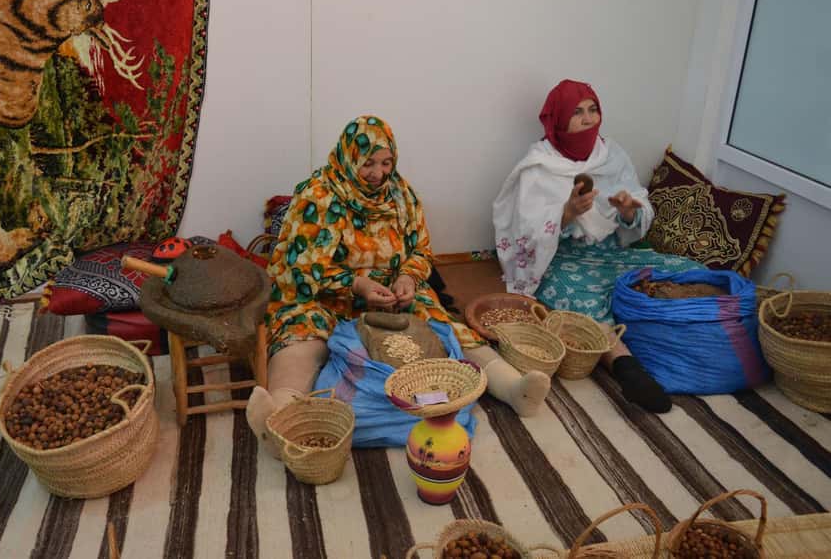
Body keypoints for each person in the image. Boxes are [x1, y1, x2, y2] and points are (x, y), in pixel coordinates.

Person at [247, 116, 551, 451]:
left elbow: (420, 249)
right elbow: (301, 270)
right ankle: (279, 414)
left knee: (442, 324)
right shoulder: (318, 197)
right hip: (326, 297)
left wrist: (408, 277)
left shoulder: (401, 195)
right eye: (368, 164)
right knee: (301, 333)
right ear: (349, 157)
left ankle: (513, 388)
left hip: (392, 293)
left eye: (386, 162)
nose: (378, 173)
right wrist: (358, 285)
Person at [492, 80, 702, 413]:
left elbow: (639, 209)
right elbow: (524, 231)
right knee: (583, 302)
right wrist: (567, 213)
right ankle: (627, 369)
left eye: (593, 110)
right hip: (563, 258)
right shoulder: (538, 166)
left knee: (685, 272)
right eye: (577, 112)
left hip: (614, 252)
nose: (588, 119)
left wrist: (629, 212)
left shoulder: (612, 155)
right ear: (559, 120)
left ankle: (686, 340)